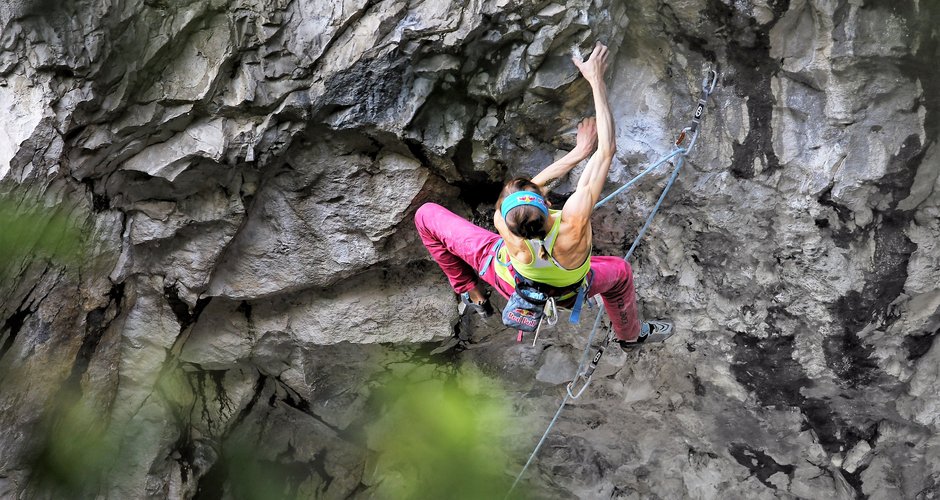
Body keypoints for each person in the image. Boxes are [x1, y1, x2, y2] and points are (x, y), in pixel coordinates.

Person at [415, 42, 672, 347]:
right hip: (566, 295)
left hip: (509, 281)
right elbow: (607, 151)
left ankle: (470, 290)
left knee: (425, 216)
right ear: (548, 204)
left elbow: (528, 195)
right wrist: (596, 81)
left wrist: (577, 153)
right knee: (620, 273)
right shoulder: (573, 224)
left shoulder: (502, 222)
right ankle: (631, 336)